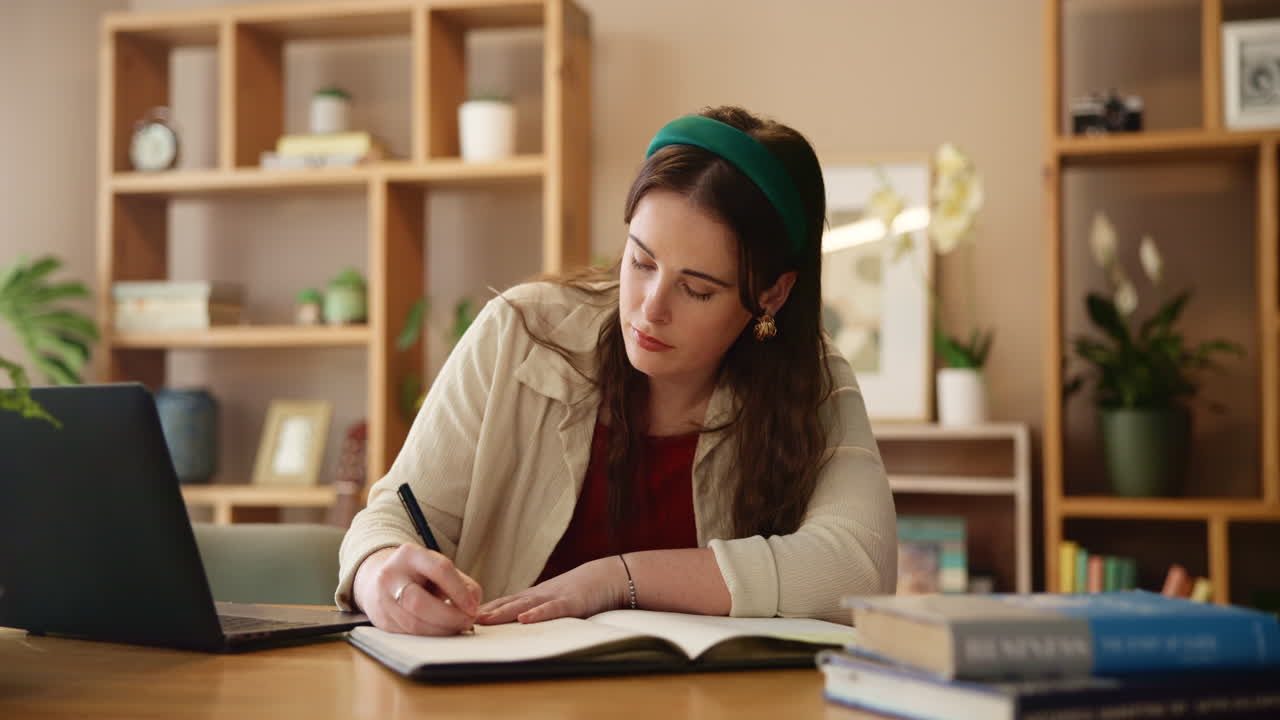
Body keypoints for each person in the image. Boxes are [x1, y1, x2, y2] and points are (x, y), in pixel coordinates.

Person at [336, 105, 897, 637]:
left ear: (771, 295)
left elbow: (857, 566)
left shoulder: (811, 381)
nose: (651, 307)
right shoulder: (520, 332)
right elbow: (393, 516)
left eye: (697, 289)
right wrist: (376, 571)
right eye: (641, 261)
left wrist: (616, 580)